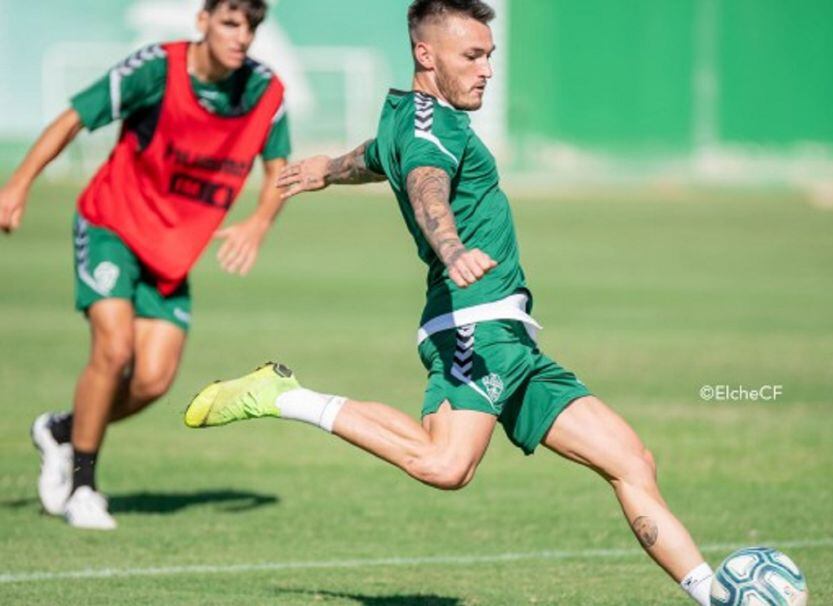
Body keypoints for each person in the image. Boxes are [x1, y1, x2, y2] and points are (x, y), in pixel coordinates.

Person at [183, 1, 716, 603]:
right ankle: (284, 395)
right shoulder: (432, 131)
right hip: (472, 326)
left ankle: (718, 595)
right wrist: (451, 245)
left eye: (489, 54)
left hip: (511, 339)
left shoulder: (408, 118)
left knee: (631, 460)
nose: (487, 68)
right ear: (425, 55)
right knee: (444, 465)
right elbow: (425, 185)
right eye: (472, 55)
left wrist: (329, 169)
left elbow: (379, 157)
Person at [0, 0, 290, 530]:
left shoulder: (265, 92)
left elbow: (278, 171)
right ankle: (84, 486)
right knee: (112, 348)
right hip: (111, 223)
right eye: (230, 21)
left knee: (153, 380)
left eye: (251, 26)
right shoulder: (156, 68)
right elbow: (74, 118)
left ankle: (62, 431)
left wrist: (260, 222)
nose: (241, 36)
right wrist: (18, 184)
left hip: (171, 255)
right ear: (202, 20)